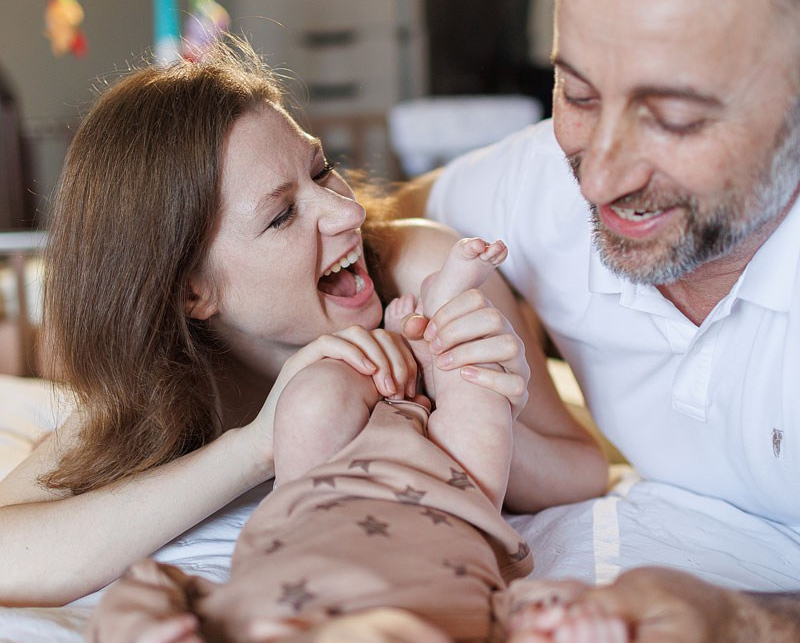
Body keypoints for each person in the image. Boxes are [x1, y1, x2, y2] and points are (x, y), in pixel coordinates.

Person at [395, 0, 800, 643]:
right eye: (577, 94)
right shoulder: (543, 178)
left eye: (675, 119)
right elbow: (381, 224)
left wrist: (736, 630)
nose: (600, 176)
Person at [86, 238, 624, 643]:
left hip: (316, 483)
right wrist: (570, 623)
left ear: (281, 634)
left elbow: (148, 581)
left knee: (316, 393)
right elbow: (528, 612)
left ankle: (398, 347)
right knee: (478, 393)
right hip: (455, 495)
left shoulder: (233, 639)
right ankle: (445, 307)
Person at [0, 41, 605, 607]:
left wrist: (477, 403)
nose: (347, 211)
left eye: (320, 171)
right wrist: (257, 445)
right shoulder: (170, 380)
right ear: (192, 292)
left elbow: (587, 470)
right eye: (282, 215)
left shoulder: (426, 273)